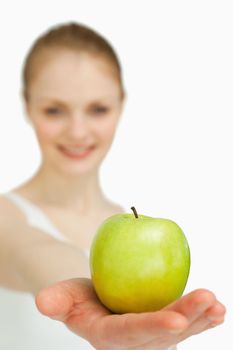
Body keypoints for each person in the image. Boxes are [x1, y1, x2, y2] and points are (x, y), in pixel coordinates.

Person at [0, 22, 226, 350]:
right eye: (54, 110)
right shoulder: (5, 217)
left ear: (121, 104)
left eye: (98, 109)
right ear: (27, 106)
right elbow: (34, 252)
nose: (77, 132)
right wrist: (92, 297)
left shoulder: (128, 224)